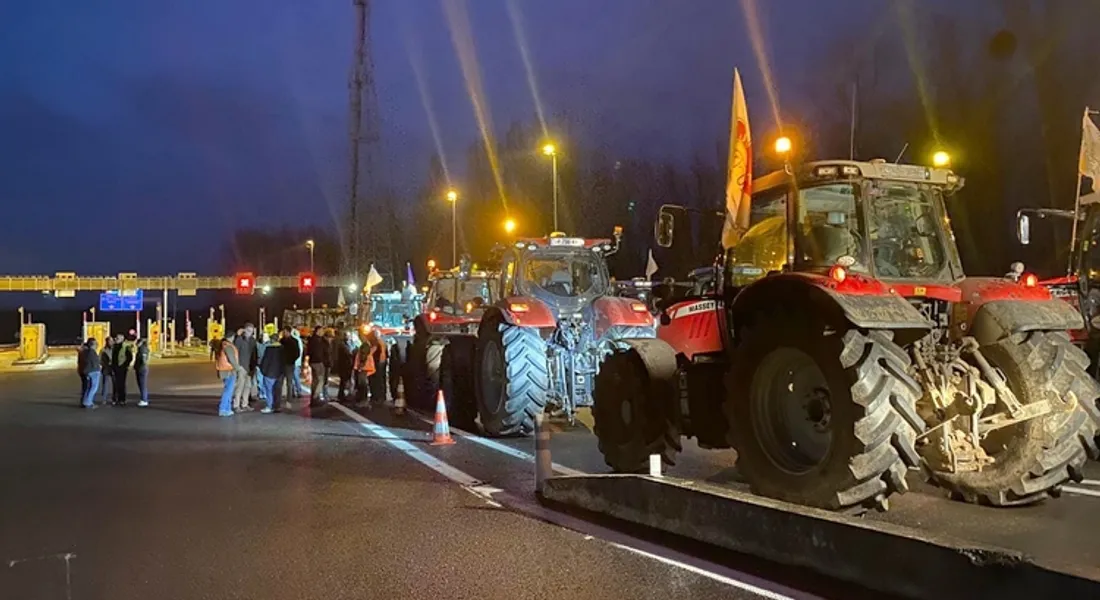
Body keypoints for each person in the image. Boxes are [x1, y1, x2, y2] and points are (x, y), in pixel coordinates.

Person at [233, 323, 258, 412]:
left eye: (251, 331)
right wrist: (237, 366)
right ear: (244, 330)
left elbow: (255, 354)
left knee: (248, 386)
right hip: (241, 366)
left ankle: (245, 404)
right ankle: (236, 405)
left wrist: (255, 366)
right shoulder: (239, 340)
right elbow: (235, 352)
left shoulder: (253, 341)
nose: (249, 333)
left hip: (250, 367)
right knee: (240, 386)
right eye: (248, 331)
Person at [215, 331, 239, 417]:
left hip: (224, 370)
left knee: (228, 389)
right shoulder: (228, 346)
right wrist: (237, 368)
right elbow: (232, 359)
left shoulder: (222, 345)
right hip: (229, 371)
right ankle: (223, 409)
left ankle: (227, 409)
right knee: (228, 390)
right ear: (232, 337)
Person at [257, 333, 283, 413]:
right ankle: (277, 406)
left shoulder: (269, 349)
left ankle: (269, 406)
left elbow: (265, 361)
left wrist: (263, 371)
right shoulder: (282, 348)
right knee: (278, 390)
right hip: (280, 373)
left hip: (269, 372)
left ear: (271, 340)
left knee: (269, 390)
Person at [306, 326, 331, 407]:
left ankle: (314, 397)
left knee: (315, 380)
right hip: (318, 362)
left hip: (313, 361)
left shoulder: (312, 340)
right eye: (321, 331)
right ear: (318, 331)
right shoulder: (318, 341)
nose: (322, 332)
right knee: (320, 380)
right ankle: (316, 397)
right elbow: (320, 352)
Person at [365, 326, 388, 406]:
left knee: (375, 381)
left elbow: (371, 353)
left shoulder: (376, 343)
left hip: (375, 365)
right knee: (381, 380)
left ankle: (376, 397)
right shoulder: (382, 343)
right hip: (381, 364)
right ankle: (381, 397)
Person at [279, 327, 301, 410]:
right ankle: (280, 400)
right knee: (281, 382)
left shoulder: (293, 341)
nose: (284, 333)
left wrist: (291, 360)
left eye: (285, 332)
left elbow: (297, 353)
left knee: (289, 382)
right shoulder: (282, 341)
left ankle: (289, 399)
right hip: (283, 364)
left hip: (289, 364)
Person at [111, 333, 134, 406]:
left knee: (121, 384)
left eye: (117, 338)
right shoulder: (114, 346)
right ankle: (115, 399)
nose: (115, 339)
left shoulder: (126, 347)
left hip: (122, 368)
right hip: (115, 368)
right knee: (115, 384)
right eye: (115, 338)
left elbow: (129, 358)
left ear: (121, 339)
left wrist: (124, 366)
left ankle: (122, 399)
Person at [352, 336, 376, 407]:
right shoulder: (368, 350)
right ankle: (363, 400)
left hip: (363, 369)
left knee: (362, 385)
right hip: (365, 369)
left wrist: (358, 367)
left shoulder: (362, 349)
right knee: (363, 385)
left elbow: (361, 358)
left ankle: (363, 401)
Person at [335, 330, 356, 402]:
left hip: (351, 364)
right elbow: (347, 353)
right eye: (347, 335)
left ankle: (349, 394)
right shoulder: (342, 344)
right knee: (343, 381)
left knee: (350, 380)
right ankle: (341, 395)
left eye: (349, 335)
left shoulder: (352, 343)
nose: (348, 337)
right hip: (344, 365)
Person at [80, 338, 101, 410]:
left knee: (89, 388)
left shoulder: (85, 352)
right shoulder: (91, 352)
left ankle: (86, 401)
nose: (97, 345)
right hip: (94, 371)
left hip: (88, 372)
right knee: (93, 388)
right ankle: (88, 402)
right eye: (96, 343)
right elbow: (95, 363)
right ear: (93, 344)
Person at [134, 338, 151, 407]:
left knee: (142, 385)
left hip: (142, 369)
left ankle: (144, 400)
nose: (136, 344)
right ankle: (143, 399)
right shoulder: (142, 348)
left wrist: (142, 365)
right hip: (141, 368)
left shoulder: (142, 349)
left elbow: (143, 360)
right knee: (141, 384)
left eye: (137, 343)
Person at [100, 336, 115, 404]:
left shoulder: (115, 349)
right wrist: (104, 364)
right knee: (105, 384)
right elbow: (100, 360)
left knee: (115, 384)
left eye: (112, 341)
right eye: (109, 341)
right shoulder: (103, 350)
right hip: (106, 369)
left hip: (113, 368)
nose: (111, 342)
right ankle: (104, 399)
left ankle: (114, 399)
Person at [290, 328, 305, 397]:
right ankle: (297, 391)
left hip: (293, 362)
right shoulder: (299, 341)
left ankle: (295, 391)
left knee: (293, 377)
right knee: (296, 377)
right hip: (297, 362)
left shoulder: (294, 340)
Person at [77, 339, 89, 406]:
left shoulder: (80, 353)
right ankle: (84, 401)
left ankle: (83, 401)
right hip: (85, 371)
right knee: (86, 387)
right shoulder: (84, 354)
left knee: (84, 387)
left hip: (81, 371)